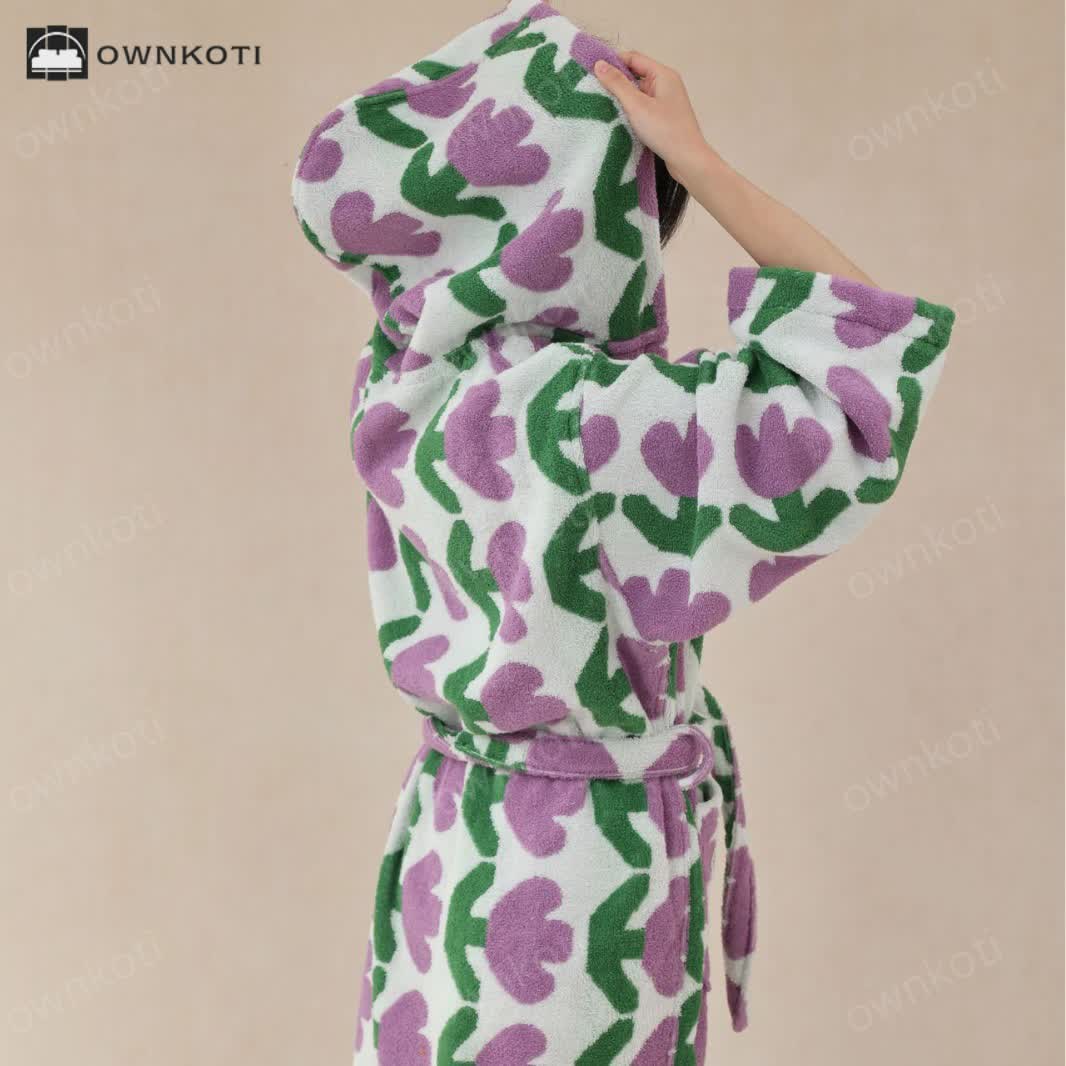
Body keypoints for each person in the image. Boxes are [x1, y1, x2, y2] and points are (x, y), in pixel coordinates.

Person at [291, 2, 955, 1062]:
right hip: (582, 887)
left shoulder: (409, 379)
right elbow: (854, 380)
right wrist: (700, 159)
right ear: (581, 215)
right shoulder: (592, 420)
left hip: (454, 846)